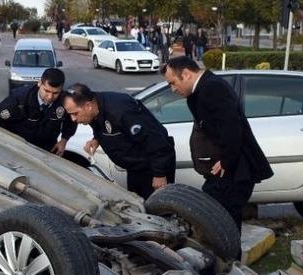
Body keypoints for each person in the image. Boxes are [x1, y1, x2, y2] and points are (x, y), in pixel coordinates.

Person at [160, 56, 273, 231]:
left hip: (234, 170)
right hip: (224, 170)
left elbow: (231, 126)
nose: (173, 89)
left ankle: (229, 257)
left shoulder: (212, 88)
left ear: (186, 74)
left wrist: (227, 160)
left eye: (173, 83)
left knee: (222, 222)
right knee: (217, 219)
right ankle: (225, 255)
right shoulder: (198, 91)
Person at [63, 83, 175, 199]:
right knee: (138, 205)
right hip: (135, 168)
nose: (73, 119)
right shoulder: (94, 106)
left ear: (88, 106)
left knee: (158, 210)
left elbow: (155, 139)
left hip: (152, 167)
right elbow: (99, 123)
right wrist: (97, 138)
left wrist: (159, 174)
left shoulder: (120, 111)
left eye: (75, 114)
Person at [0, 68, 77, 156]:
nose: (50, 97)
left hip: (47, 150)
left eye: (55, 93)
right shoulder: (19, 99)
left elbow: (72, 120)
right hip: (18, 149)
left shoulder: (65, 101)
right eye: (47, 91)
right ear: (39, 83)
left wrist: (64, 140)